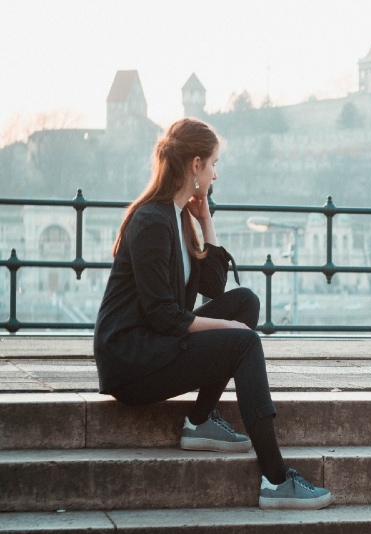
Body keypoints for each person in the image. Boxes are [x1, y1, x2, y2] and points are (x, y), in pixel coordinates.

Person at [93, 118, 331, 510]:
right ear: (196, 165)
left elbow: (216, 286)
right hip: (131, 360)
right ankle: (274, 480)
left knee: (246, 302)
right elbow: (164, 317)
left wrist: (205, 220)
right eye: (215, 164)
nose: (217, 174)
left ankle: (200, 419)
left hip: (155, 344)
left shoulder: (179, 215)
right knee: (243, 341)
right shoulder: (152, 221)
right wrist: (229, 328)